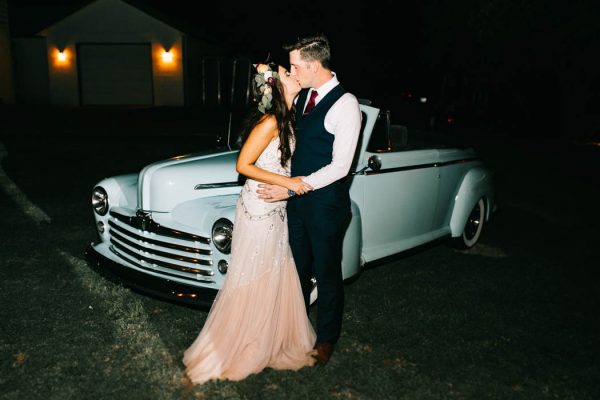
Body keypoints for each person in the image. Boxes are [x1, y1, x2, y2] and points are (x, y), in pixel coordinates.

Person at [183, 62, 317, 384]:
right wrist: (288, 183)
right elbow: (243, 164)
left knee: (273, 269)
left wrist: (286, 189)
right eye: (287, 73)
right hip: (258, 208)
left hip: (276, 207)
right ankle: (241, 342)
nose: (294, 74)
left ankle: (268, 338)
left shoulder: (288, 120)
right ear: (277, 86)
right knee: (252, 272)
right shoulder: (270, 121)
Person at [257, 34, 362, 365]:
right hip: (298, 205)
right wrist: (268, 77)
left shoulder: (346, 104)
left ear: (315, 66)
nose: (293, 72)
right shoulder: (303, 96)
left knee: (327, 273)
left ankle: (327, 338)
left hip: (325, 207)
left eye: (296, 67)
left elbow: (340, 167)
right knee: (297, 271)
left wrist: (290, 188)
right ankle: (294, 331)